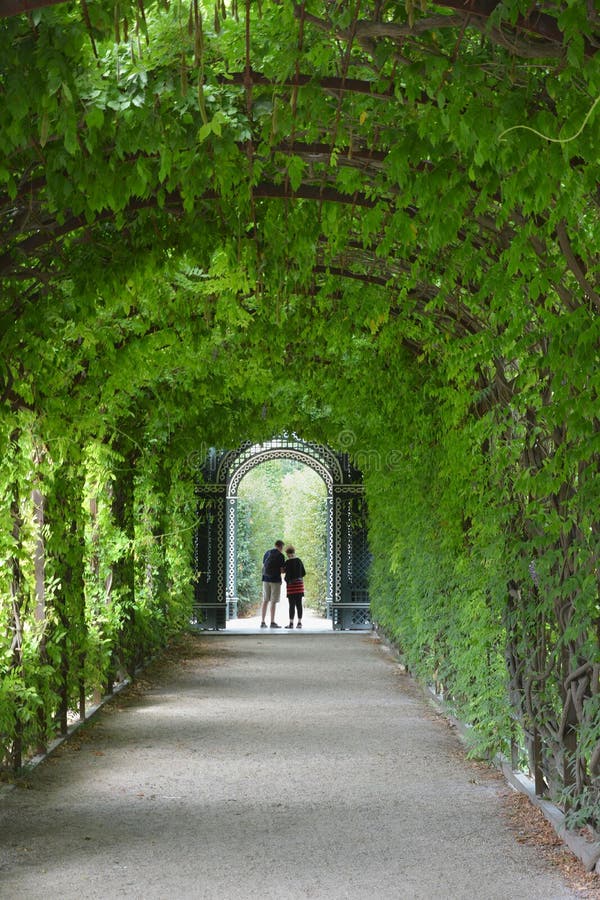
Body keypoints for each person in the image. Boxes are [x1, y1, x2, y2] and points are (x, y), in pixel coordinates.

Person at [260, 540, 285, 628]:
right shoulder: (281, 556)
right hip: (275, 580)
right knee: (273, 602)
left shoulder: (267, 553)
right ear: (281, 547)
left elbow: (263, 566)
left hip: (266, 579)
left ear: (275, 545)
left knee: (265, 600)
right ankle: (272, 622)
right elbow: (282, 571)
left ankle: (262, 622)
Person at [283, 545, 306, 629]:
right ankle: (299, 623)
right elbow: (303, 573)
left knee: (291, 605)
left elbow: (283, 571)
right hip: (299, 586)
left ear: (288, 554)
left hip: (291, 587)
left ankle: (291, 623)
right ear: (294, 552)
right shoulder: (299, 561)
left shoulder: (287, 562)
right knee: (299, 604)